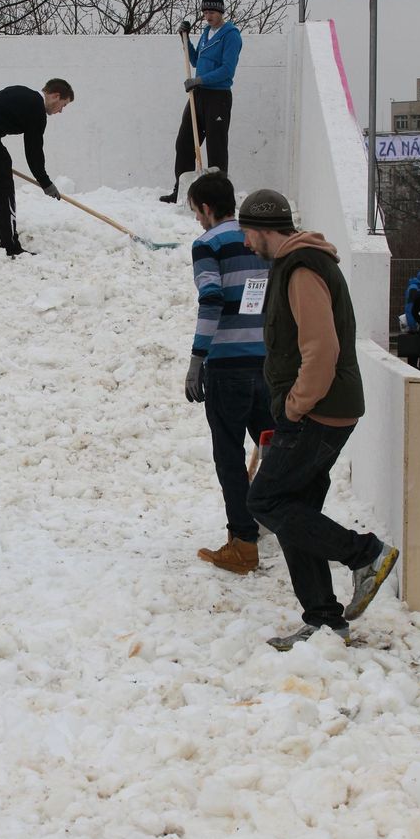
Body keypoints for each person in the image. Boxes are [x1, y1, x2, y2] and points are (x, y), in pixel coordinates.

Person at [239, 189, 399, 651]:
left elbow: (321, 349)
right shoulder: (299, 263)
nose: (248, 244)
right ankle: (325, 622)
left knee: (265, 501)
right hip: (321, 407)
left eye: (249, 234)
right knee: (296, 513)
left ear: (266, 230)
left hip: (317, 411)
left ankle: (365, 554)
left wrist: (294, 404)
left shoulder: (302, 268)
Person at [184, 172, 274, 574]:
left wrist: (196, 358)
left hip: (228, 368)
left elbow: (212, 299)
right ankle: (286, 520)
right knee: (273, 446)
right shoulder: (262, 239)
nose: (198, 221)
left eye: (196, 212)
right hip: (268, 364)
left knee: (229, 455)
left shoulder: (207, 244)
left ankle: (243, 543)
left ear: (206, 208)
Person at [0, 78, 74, 257]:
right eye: (63, 105)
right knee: (2, 187)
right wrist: (45, 182)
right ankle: (11, 246)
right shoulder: (37, 109)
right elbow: (33, 152)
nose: (61, 111)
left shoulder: (22, 92)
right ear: (55, 96)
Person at [160, 0, 242, 203]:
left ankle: (219, 197)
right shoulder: (206, 32)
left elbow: (227, 70)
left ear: (221, 11)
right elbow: (195, 60)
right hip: (198, 95)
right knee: (184, 142)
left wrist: (201, 80)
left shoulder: (231, 35)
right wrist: (185, 39)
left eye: (212, 12)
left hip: (218, 97)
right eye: (205, 12)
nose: (208, 16)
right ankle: (182, 191)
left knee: (216, 147)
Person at [404, 270, 420, 368]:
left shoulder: (418, 288)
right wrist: (413, 327)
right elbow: (410, 309)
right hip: (415, 327)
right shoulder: (414, 289)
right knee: (416, 352)